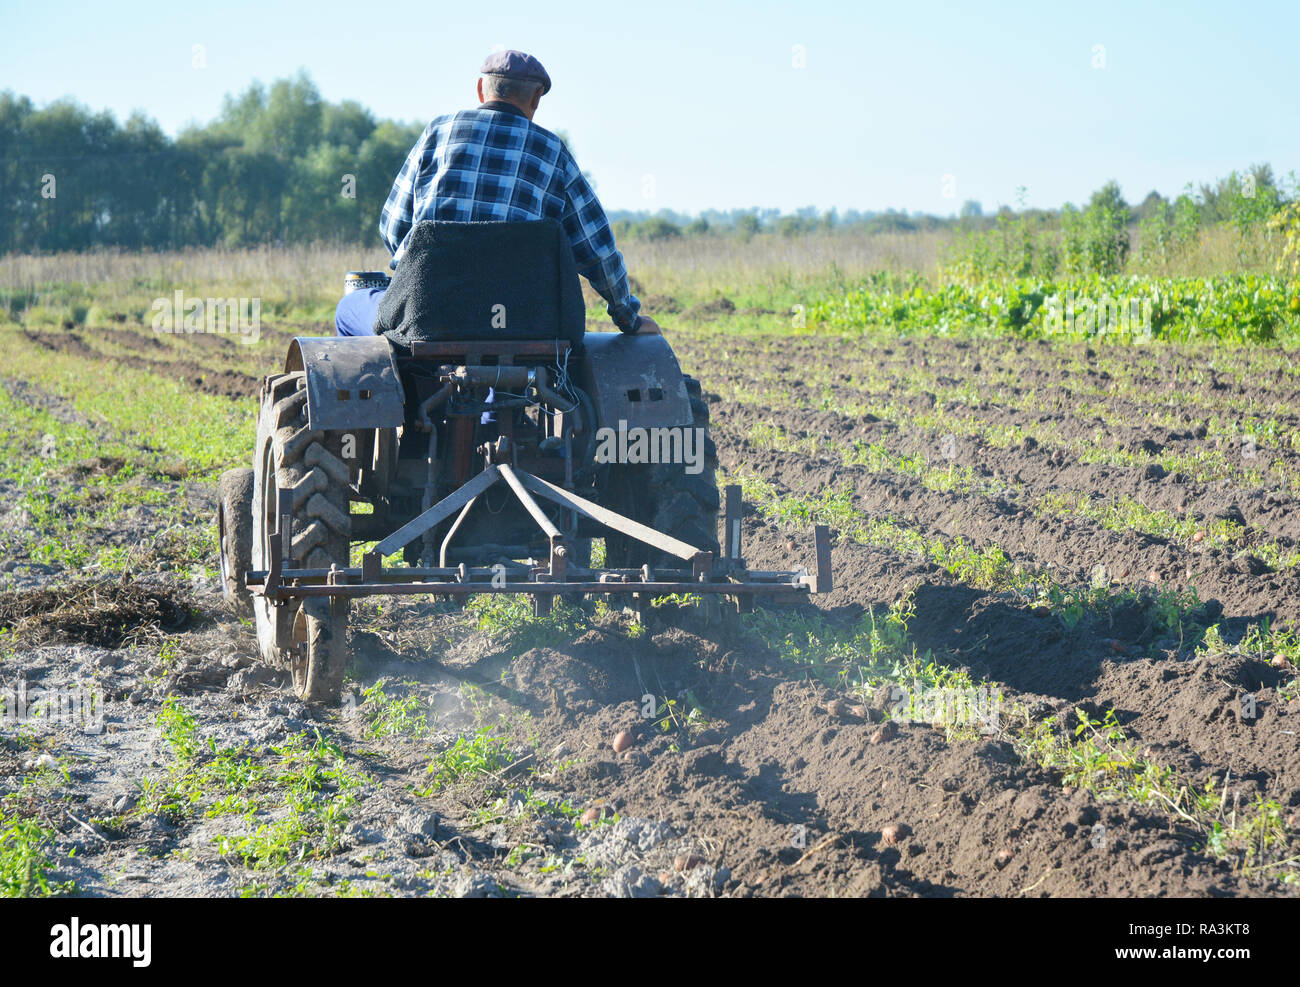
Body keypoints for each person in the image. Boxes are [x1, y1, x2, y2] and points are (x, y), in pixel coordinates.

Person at [335, 49, 660, 338]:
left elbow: (393, 228)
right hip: (528, 323)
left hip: (429, 317)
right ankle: (498, 405)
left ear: (480, 90)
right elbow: (599, 252)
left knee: (349, 308)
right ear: (535, 100)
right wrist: (627, 317)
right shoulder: (553, 152)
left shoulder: (438, 132)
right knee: (499, 343)